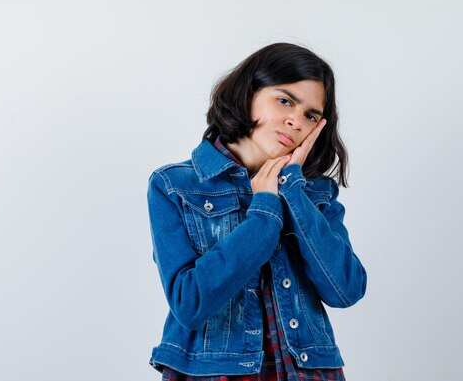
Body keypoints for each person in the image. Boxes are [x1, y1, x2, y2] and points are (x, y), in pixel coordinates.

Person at [146, 42, 367, 381]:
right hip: (213, 374)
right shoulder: (175, 185)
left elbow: (346, 290)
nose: (295, 121)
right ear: (248, 93)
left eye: (310, 115)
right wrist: (264, 211)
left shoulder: (315, 194)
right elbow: (190, 303)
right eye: (284, 100)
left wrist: (291, 190)